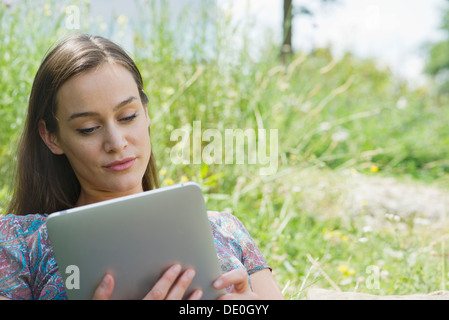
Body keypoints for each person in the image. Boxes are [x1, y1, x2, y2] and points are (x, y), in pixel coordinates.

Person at [0, 34, 283, 300]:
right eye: (88, 128)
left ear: (146, 113)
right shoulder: (19, 245)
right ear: (51, 136)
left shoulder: (226, 230)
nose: (116, 142)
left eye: (128, 116)